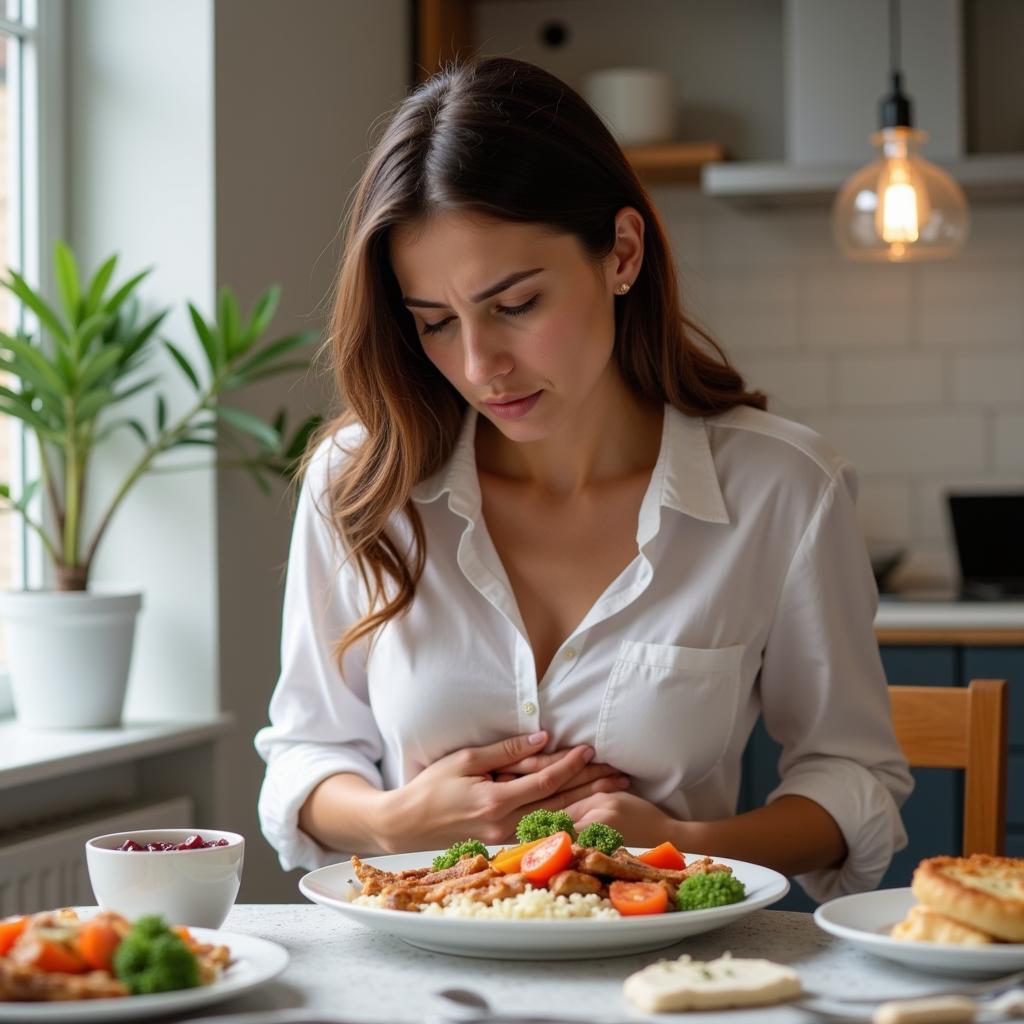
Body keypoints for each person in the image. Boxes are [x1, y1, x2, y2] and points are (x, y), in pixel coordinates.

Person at [255, 56, 912, 902]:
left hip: (665, 973)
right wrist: (393, 821)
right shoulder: (362, 483)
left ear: (622, 253)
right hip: (416, 970)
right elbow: (306, 755)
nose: (480, 364)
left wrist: (682, 841)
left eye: (516, 304)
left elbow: (851, 779)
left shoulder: (782, 489)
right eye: (434, 324)